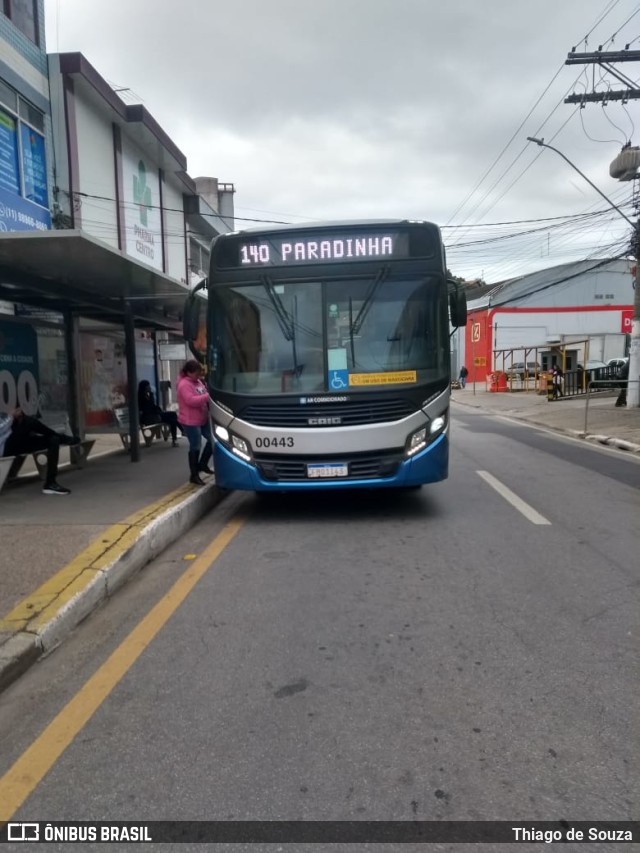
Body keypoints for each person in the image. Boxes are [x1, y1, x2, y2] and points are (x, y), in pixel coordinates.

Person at [0, 408, 79, 495]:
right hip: (4, 447)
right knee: (29, 422)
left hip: (14, 442)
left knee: (53, 440)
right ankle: (65, 439)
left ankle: (50, 483)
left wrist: (15, 417)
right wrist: (11, 417)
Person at [177, 360, 213, 486]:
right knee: (195, 445)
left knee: (213, 439)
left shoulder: (197, 381)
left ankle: (202, 464)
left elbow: (203, 392)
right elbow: (190, 400)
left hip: (202, 418)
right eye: (196, 374)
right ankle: (194, 474)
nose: (199, 376)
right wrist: (208, 396)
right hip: (190, 421)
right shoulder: (184, 385)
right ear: (189, 373)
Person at [137, 380, 182, 447]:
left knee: (173, 414)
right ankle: (178, 436)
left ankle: (178, 435)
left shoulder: (147, 395)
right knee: (172, 420)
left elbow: (152, 406)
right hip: (150, 418)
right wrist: (151, 395)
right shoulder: (141, 398)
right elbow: (147, 408)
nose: (149, 387)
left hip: (155, 415)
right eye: (148, 386)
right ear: (144, 387)